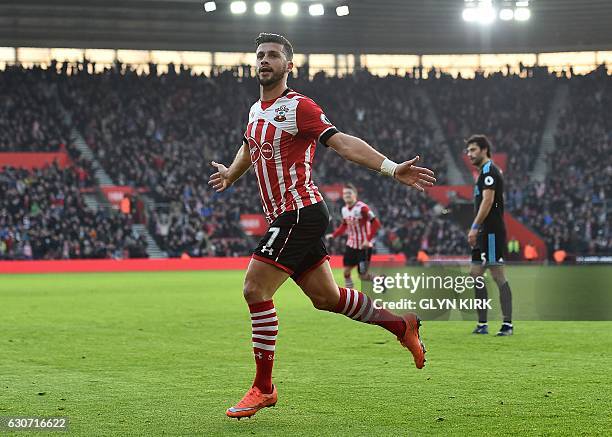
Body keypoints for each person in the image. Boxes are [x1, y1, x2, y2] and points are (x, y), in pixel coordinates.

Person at [208, 33, 436, 419]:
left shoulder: (299, 107)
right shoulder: (254, 110)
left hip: (301, 212)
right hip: (291, 216)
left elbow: (342, 142)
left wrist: (392, 167)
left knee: (254, 288)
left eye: (274, 56)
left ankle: (264, 388)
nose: (265, 60)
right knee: (327, 299)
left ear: (288, 65)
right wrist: (232, 173)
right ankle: (402, 325)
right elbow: (250, 145)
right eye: (260, 55)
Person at [465, 135, 514, 337]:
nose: (469, 154)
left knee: (497, 276)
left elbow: (488, 201)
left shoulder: (489, 171)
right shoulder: (483, 173)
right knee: (475, 275)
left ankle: (508, 325)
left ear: (484, 150)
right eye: (468, 151)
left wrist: (475, 226)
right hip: (484, 233)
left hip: (491, 231)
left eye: (473, 150)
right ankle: (482, 323)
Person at [325, 183, 382, 289]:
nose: (346, 195)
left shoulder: (363, 208)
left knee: (363, 276)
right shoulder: (344, 209)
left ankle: (380, 280)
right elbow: (344, 225)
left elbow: (376, 223)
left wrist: (367, 240)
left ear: (355, 195)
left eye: (349, 193)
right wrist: (334, 235)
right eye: (344, 193)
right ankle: (350, 295)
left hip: (363, 247)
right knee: (346, 272)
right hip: (351, 246)